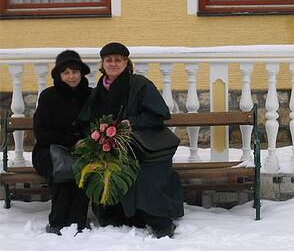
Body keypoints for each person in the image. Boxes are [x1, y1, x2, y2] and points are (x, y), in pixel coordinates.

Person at [77, 42, 184, 238]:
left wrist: (130, 123)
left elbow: (158, 115)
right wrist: (94, 137)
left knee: (143, 174)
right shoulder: (99, 89)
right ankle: (120, 216)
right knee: (100, 169)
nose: (113, 64)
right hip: (110, 147)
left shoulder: (140, 84)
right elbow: (87, 120)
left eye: (118, 60)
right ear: (103, 64)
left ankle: (159, 222)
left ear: (126, 62)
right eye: (109, 60)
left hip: (142, 147)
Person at [32, 50, 91, 235]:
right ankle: (58, 220)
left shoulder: (91, 95)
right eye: (66, 72)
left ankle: (77, 220)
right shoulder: (49, 96)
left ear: (81, 73)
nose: (71, 76)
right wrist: (73, 140)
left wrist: (86, 141)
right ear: (59, 75)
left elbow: (96, 124)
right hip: (48, 150)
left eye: (75, 71)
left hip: (83, 148)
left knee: (84, 169)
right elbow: (41, 132)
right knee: (60, 171)